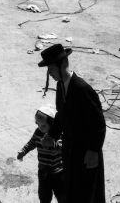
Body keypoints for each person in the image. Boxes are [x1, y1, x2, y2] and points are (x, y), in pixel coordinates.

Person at [37, 44, 106, 203]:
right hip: (70, 150)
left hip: (87, 152)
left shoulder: (82, 89)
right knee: (72, 190)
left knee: (88, 192)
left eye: (51, 68)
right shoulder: (61, 86)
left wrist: (94, 150)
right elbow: (61, 116)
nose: (50, 73)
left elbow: (99, 123)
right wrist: (52, 135)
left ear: (61, 66)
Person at [17, 104, 65, 203]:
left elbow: (63, 148)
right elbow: (32, 142)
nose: (40, 127)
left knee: (62, 195)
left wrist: (52, 144)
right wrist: (23, 151)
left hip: (58, 172)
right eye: (38, 124)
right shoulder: (38, 132)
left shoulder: (57, 135)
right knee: (44, 196)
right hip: (43, 171)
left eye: (43, 125)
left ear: (52, 124)